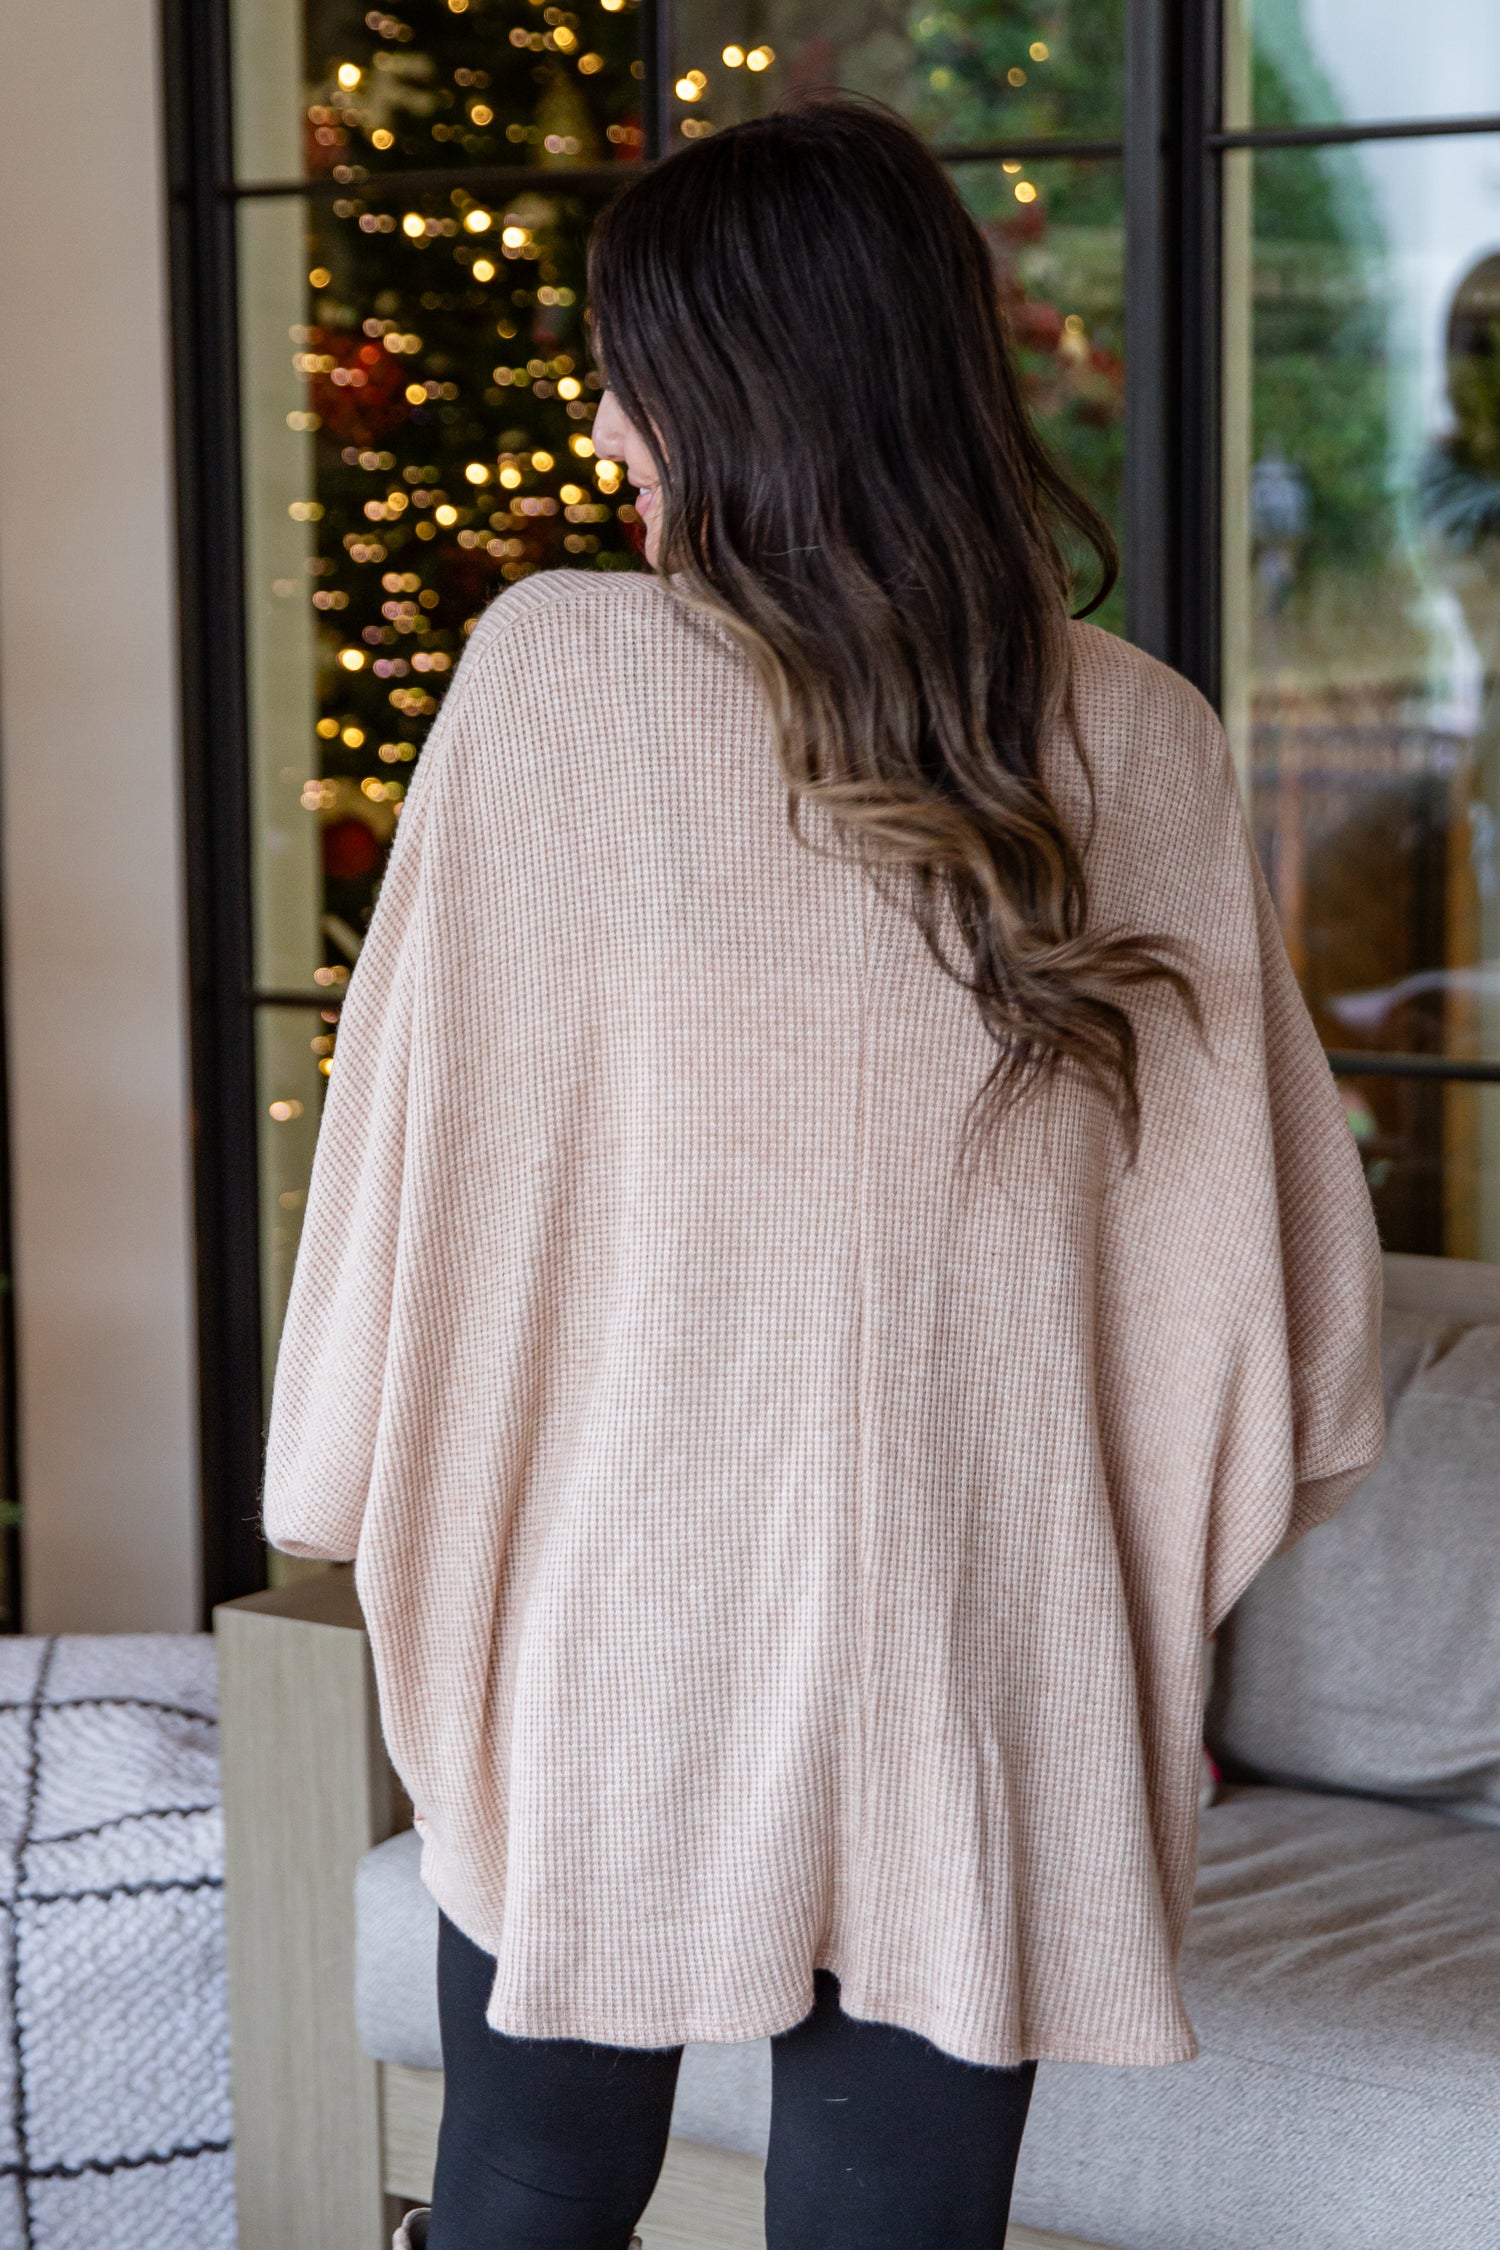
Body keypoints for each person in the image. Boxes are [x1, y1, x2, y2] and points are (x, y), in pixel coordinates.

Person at [263, 98, 1384, 2250]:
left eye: (630, 371)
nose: (604, 427)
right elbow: (1271, 1306)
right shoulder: (1140, 731)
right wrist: (1122, 1576)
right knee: (892, 2225)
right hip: (985, 1626)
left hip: (615, 1612)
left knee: (527, 2196)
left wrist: (351, 1474)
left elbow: (408, 1167)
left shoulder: (554, 671)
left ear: (747, 382)